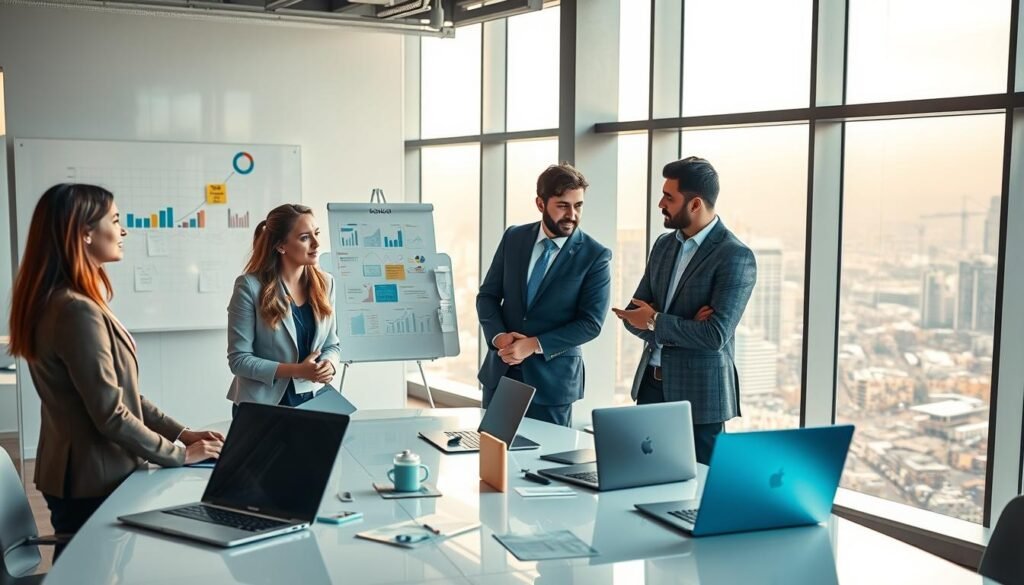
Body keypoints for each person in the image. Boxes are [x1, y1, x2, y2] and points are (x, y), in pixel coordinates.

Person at [8, 184, 223, 555]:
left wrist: (183, 433)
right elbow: (110, 414)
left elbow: (122, 394)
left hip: (78, 474)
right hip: (92, 479)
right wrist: (176, 455)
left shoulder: (62, 301)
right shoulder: (75, 310)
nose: (123, 231)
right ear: (85, 232)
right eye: (117, 221)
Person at [613, 156, 757, 465]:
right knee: (643, 479)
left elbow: (714, 334)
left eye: (669, 197)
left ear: (694, 205)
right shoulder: (664, 245)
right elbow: (631, 316)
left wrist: (655, 320)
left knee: (700, 493)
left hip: (700, 397)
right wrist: (675, 324)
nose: (660, 204)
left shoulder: (734, 256)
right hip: (651, 385)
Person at [477, 163, 612, 427]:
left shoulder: (595, 256)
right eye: (563, 205)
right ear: (540, 203)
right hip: (502, 371)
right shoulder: (514, 238)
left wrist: (533, 344)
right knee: (493, 459)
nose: (572, 215)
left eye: (578, 206)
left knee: (547, 463)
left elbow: (591, 323)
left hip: (553, 383)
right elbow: (487, 296)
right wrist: (499, 337)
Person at [226, 203, 340, 415]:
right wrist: (297, 370)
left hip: (312, 401)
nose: (316, 243)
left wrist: (329, 365)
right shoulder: (249, 287)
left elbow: (332, 344)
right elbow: (239, 360)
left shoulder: (326, 283)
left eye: (316, 233)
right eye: (305, 237)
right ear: (281, 246)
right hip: (261, 407)